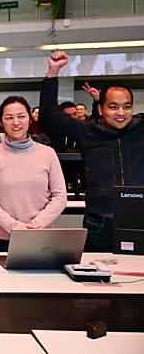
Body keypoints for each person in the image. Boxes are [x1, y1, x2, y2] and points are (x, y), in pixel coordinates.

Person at [39, 50, 144, 251]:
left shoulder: (141, 129)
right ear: (101, 109)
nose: (121, 113)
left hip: (138, 218)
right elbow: (50, 116)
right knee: (97, 277)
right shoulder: (88, 131)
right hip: (99, 221)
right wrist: (53, 72)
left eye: (127, 107)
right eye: (113, 107)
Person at [0, 96, 67, 251]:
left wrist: (36, 224)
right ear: (1, 121)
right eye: (9, 118)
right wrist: (14, 226)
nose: (16, 122)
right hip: (1, 238)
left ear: (30, 120)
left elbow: (60, 196)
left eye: (21, 116)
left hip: (41, 236)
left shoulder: (48, 153)